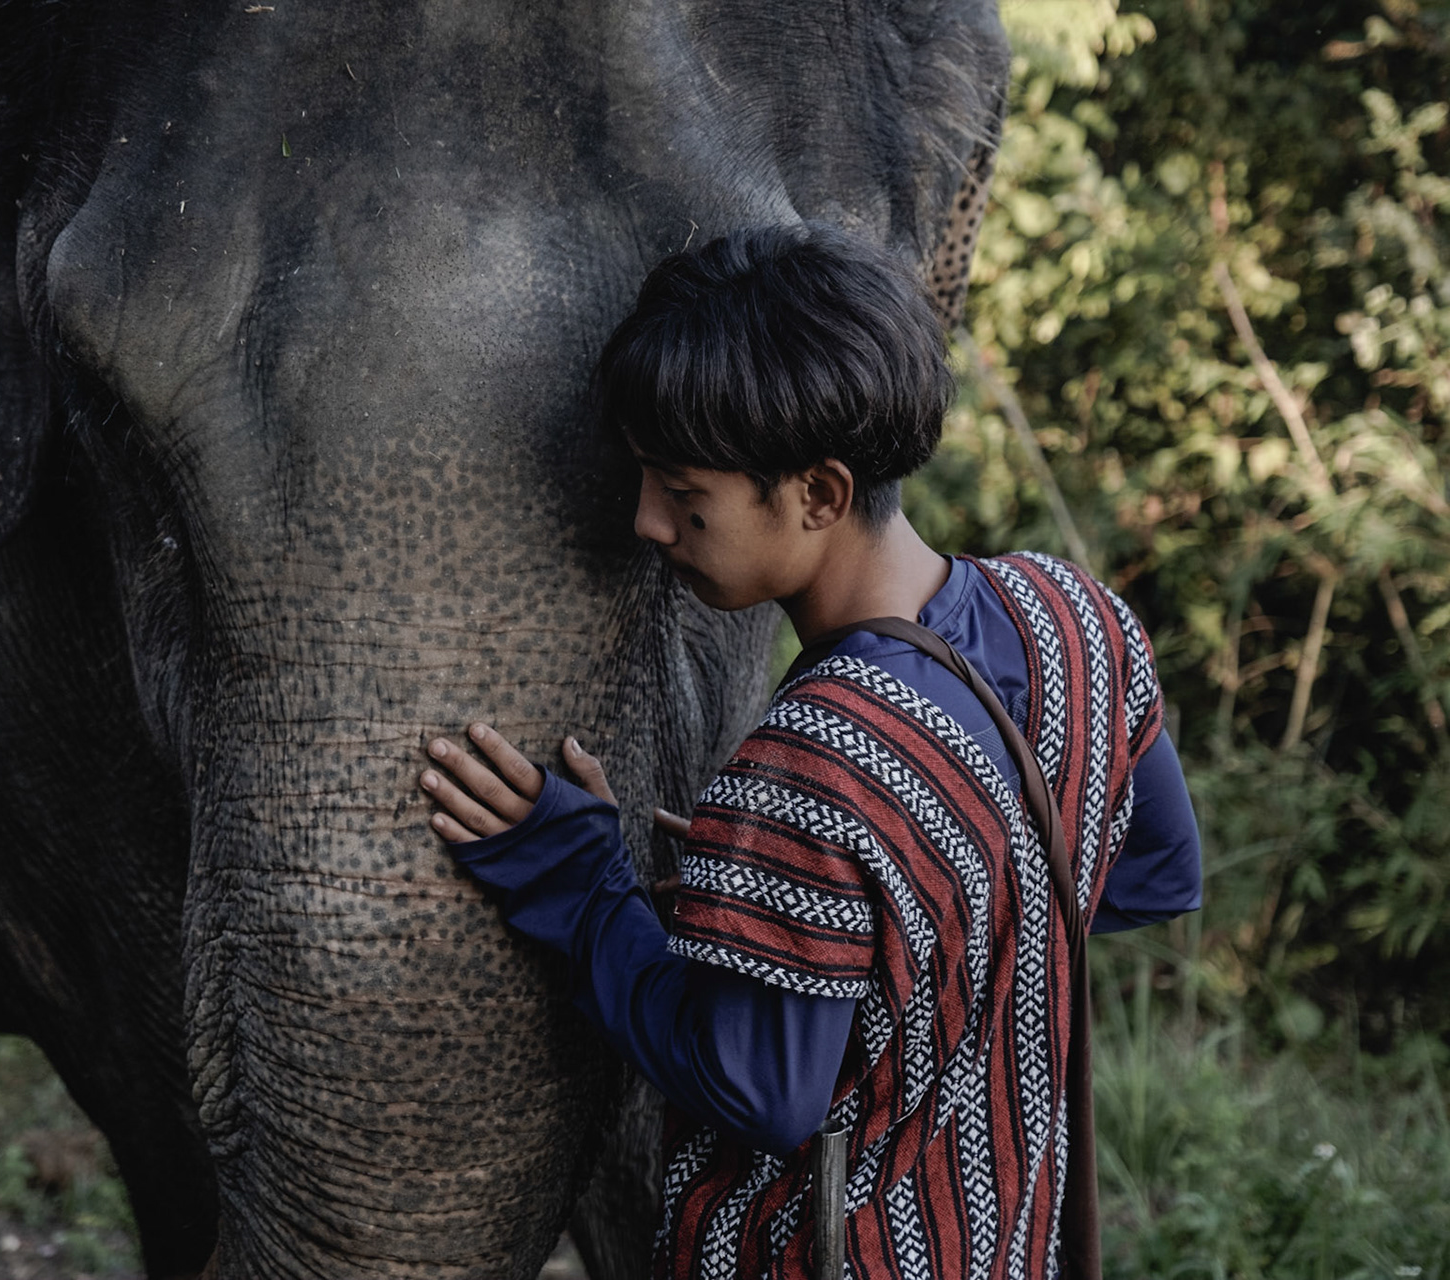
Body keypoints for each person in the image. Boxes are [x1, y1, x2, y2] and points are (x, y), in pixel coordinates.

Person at [415, 223, 1201, 1280]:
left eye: (683, 493)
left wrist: (585, 886)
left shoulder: (813, 762)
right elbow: (1149, 871)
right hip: (1012, 1241)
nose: (648, 522)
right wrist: (847, 916)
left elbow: (757, 1088)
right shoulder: (1079, 621)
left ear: (820, 494)